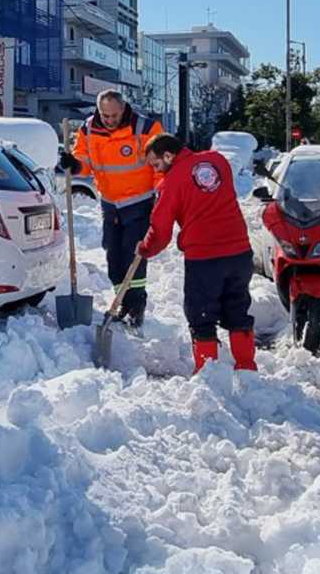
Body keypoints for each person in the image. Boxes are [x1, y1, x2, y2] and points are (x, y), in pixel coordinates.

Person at [135, 133, 256, 373]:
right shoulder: (217, 161)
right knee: (238, 308)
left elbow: (160, 231)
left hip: (204, 258)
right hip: (240, 252)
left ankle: (207, 371)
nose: (156, 171)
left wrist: (145, 248)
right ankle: (246, 367)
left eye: (157, 164)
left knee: (201, 313)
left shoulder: (170, 185)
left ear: (168, 156)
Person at [58, 90, 161, 326]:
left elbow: (159, 165)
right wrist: (73, 165)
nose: (110, 120)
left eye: (114, 115)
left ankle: (136, 305)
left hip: (139, 202)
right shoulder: (88, 129)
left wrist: (161, 194)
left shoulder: (145, 128)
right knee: (113, 255)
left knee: (131, 252)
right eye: (105, 115)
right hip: (110, 204)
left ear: (124, 108)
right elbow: (84, 162)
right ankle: (122, 300)